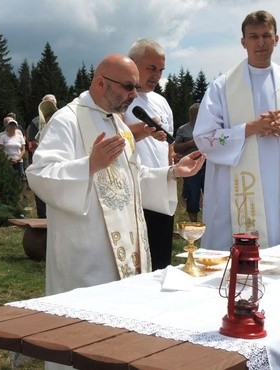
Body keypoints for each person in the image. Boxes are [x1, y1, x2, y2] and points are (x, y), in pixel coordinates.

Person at [26, 53, 205, 298]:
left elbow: (131, 177)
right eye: (129, 87)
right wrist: (88, 166)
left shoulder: (118, 125)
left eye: (137, 87)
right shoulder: (67, 120)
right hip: (88, 254)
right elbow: (39, 174)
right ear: (101, 83)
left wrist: (173, 172)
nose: (134, 95)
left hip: (126, 249)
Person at [193, 10, 280, 250]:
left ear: (276, 39)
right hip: (236, 187)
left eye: (266, 35)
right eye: (253, 36)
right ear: (243, 42)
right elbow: (204, 137)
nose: (260, 42)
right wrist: (249, 128)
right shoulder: (222, 86)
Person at [124, 39, 175, 270]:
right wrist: (144, 130)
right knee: (137, 261)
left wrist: (171, 172)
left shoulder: (162, 102)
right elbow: (115, 135)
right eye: (151, 68)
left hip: (161, 189)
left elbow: (169, 144)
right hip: (133, 191)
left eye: (161, 70)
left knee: (161, 260)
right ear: (134, 64)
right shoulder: (121, 99)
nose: (156, 76)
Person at [27, 94, 58, 218]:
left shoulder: (62, 119)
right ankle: (42, 220)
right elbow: (31, 141)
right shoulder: (35, 122)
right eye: (46, 102)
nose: (49, 104)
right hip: (40, 160)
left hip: (57, 160)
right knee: (41, 190)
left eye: (51, 102)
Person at [175, 103, 206, 222]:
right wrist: (190, 143)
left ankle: (209, 224)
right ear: (192, 114)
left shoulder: (208, 128)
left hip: (208, 166)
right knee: (192, 196)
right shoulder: (183, 129)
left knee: (211, 195)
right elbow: (176, 148)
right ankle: (194, 224)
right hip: (191, 167)